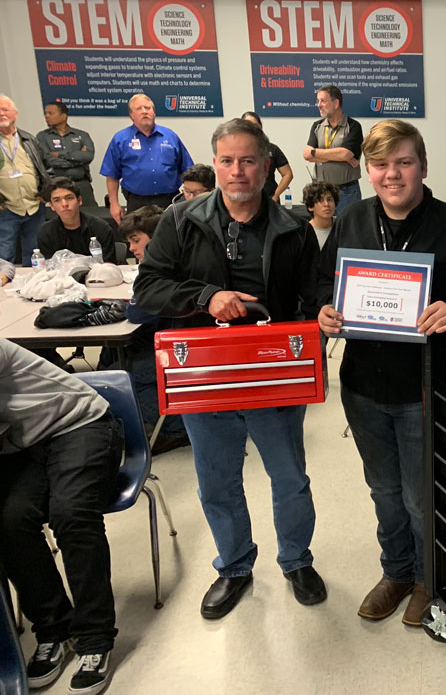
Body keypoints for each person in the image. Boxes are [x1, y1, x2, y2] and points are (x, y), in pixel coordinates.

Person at [317, 119, 446, 626]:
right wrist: (323, 310)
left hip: (425, 387)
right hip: (362, 386)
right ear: (367, 170)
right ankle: (397, 571)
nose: (392, 175)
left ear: (422, 167)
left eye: (403, 163)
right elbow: (319, 284)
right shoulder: (352, 220)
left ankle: (431, 578)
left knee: (420, 493)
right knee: (383, 489)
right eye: (380, 165)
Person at [134, 117, 325, 619]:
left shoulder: (295, 230)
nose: (237, 171)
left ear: (266, 167)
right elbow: (148, 287)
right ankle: (235, 567)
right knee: (217, 482)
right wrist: (206, 296)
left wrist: (322, 319)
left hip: (273, 376)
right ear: (214, 164)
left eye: (247, 161)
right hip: (206, 378)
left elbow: (315, 295)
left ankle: (296, 560)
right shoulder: (180, 220)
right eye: (227, 161)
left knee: (290, 480)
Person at [0, 337, 123, 695]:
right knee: (11, 520)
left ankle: (95, 638)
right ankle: (54, 630)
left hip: (81, 423)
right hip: (26, 441)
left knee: (71, 513)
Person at [114, 205, 188, 453]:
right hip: (172, 339)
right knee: (112, 360)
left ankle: (176, 429)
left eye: (136, 241)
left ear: (157, 239)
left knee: (126, 371)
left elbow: (136, 313)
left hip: (175, 347)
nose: (132, 249)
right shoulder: (179, 259)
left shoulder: (162, 271)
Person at [100, 94, 193, 224]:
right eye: (139, 109)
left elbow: (188, 170)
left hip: (168, 200)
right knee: (138, 240)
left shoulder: (170, 136)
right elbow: (111, 175)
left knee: (171, 241)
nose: (144, 111)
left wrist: (191, 197)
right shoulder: (120, 139)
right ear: (131, 115)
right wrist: (114, 204)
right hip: (137, 202)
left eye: (148, 108)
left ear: (154, 112)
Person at [0, 94, 51, 266]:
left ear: (15, 114)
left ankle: (32, 287)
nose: (1, 114)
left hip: (34, 205)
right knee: (4, 253)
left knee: (35, 252)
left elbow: (46, 167)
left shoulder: (29, 139)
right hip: (5, 207)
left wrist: (47, 192)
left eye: (5, 110)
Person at [304, 85, 363, 214]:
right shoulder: (317, 126)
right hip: (321, 191)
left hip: (347, 192)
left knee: (348, 230)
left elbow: (345, 154)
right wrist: (338, 156)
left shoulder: (353, 126)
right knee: (325, 232)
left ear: (336, 103)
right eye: (317, 101)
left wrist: (317, 153)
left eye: (323, 101)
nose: (319, 105)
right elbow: (307, 155)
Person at [37, 177, 117, 262]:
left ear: (79, 201)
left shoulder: (101, 228)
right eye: (57, 200)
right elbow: (49, 268)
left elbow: (109, 265)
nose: (64, 204)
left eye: (69, 198)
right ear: (52, 206)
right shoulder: (46, 232)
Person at [36, 101, 97, 207]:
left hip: (81, 184)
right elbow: (48, 159)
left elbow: (88, 156)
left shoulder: (81, 135)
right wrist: (77, 160)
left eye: (51, 113)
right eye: (46, 113)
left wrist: (60, 155)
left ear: (64, 116)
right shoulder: (42, 137)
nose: (46, 116)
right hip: (56, 185)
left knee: (91, 215)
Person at [241, 111, 293, 203]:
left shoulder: (272, 149)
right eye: (248, 125)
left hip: (270, 200)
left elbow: (287, 174)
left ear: (260, 127)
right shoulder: (237, 150)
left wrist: (276, 195)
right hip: (245, 201)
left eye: (255, 125)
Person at [303, 181, 338, 249]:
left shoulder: (343, 227)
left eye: (329, 199)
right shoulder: (304, 233)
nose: (326, 204)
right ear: (310, 206)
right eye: (320, 200)